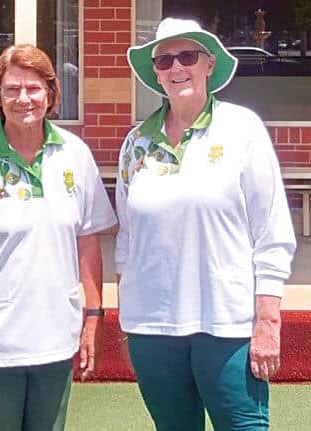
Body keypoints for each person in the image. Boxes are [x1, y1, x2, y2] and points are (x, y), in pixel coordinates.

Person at [115, 18, 296, 431]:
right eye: (164, 60)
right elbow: (127, 240)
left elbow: (272, 233)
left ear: (209, 64)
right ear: (156, 72)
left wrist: (267, 322)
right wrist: (129, 323)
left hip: (227, 323)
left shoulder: (242, 129)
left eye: (187, 56)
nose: (176, 67)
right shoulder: (136, 142)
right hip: (153, 328)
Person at [0, 44, 117, 431]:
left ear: (51, 94)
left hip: (55, 344)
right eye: (11, 89)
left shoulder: (75, 155)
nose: (23, 98)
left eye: (33, 88)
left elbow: (87, 243)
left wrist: (93, 318)